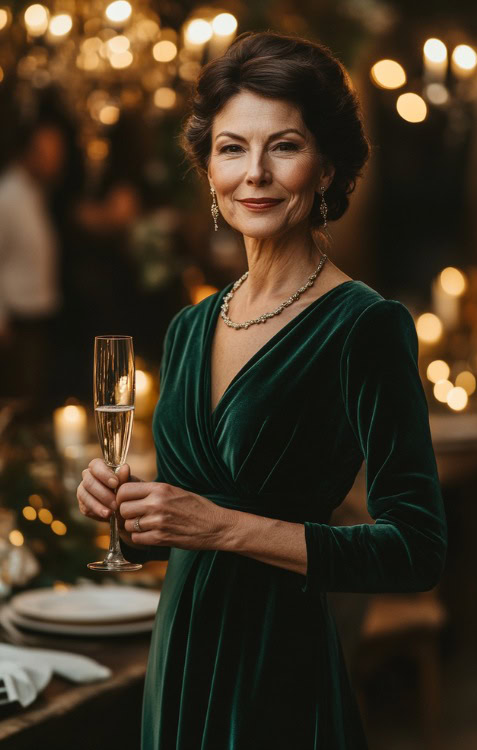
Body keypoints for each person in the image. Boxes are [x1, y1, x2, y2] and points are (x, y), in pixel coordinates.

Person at [77, 31, 448, 749]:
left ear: (326, 167)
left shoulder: (364, 327)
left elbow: (417, 550)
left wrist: (219, 527)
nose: (256, 174)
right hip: (181, 660)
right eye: (231, 148)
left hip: (280, 672)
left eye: (283, 146)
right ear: (209, 168)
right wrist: (128, 511)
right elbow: (185, 519)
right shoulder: (189, 328)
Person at [0, 120, 66, 409]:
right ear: (27, 152)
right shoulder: (8, 196)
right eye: (45, 153)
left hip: (42, 315)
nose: (53, 161)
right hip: (16, 320)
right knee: (20, 401)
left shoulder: (36, 192)